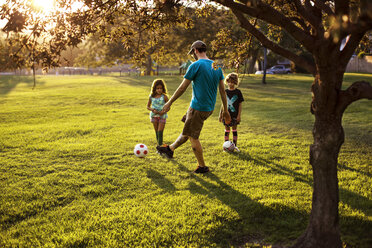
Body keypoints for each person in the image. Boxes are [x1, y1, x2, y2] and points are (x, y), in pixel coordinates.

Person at [157, 40, 231, 173]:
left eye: (193, 53)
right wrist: (225, 110)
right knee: (188, 129)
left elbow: (182, 88)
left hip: (197, 108)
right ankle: (170, 149)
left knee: (193, 136)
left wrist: (169, 102)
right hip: (208, 108)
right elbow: (222, 91)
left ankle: (202, 166)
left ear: (195, 51)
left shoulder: (195, 65)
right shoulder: (216, 66)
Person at [219, 73, 244, 152]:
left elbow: (240, 105)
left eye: (232, 82)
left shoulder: (238, 92)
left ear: (235, 82)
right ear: (227, 82)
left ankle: (235, 146)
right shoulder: (225, 92)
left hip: (234, 115)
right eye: (229, 82)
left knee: (234, 130)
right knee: (227, 130)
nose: (230, 84)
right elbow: (223, 104)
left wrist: (239, 116)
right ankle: (226, 146)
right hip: (226, 115)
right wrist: (220, 114)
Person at [147, 79, 169, 146]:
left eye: (160, 88)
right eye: (157, 88)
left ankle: (160, 146)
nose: (159, 90)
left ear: (163, 88)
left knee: (160, 131)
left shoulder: (164, 97)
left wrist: (163, 111)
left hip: (162, 116)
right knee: (156, 132)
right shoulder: (151, 97)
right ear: (154, 89)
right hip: (154, 116)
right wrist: (153, 110)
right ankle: (159, 146)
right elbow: (148, 106)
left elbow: (169, 107)